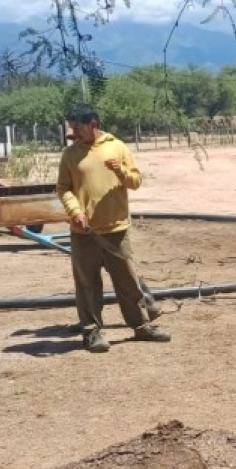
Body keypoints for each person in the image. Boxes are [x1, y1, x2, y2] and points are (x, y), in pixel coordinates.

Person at [57, 105, 170, 352]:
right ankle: (92, 333)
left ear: (93, 124)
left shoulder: (117, 147)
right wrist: (75, 211)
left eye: (78, 127)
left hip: (117, 230)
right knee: (87, 285)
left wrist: (121, 171)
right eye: (72, 127)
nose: (73, 132)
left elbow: (136, 181)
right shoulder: (70, 154)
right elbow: (63, 188)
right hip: (85, 234)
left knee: (127, 282)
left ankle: (141, 326)